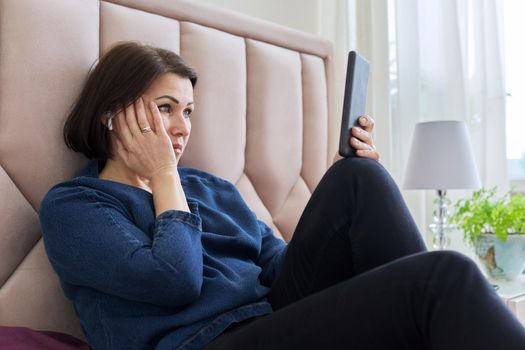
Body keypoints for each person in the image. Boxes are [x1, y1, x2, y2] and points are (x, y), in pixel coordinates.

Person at [39, 41, 525, 350]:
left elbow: (278, 267)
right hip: (201, 343)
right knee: (446, 272)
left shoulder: (211, 188)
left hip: (275, 320)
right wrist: (165, 175)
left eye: (188, 112)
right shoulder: (78, 206)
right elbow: (174, 281)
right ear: (112, 115)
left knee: (359, 178)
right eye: (165, 109)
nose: (181, 128)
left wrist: (347, 199)